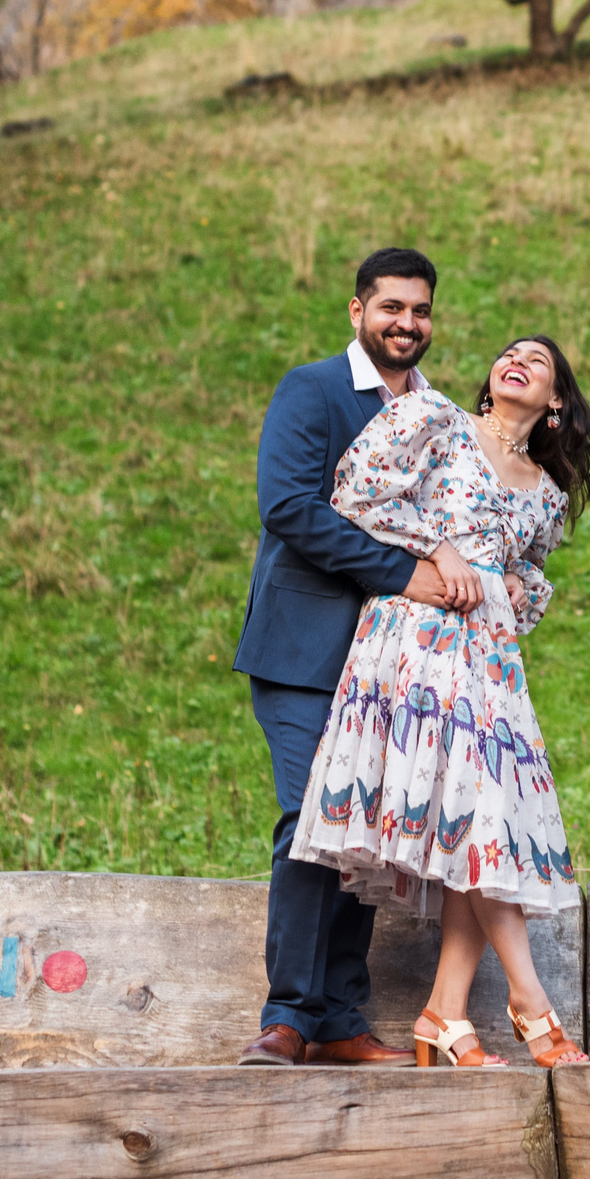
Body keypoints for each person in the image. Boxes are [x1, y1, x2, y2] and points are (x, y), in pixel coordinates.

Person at [291, 332, 590, 1068]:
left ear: (556, 399)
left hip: (490, 659)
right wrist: (440, 548)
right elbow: (356, 490)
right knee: (481, 814)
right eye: (510, 353)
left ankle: (445, 1013)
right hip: (417, 640)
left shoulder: (547, 494)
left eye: (538, 361)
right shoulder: (435, 419)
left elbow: (532, 572)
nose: (517, 361)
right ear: (492, 378)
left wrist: (516, 584)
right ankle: (532, 1005)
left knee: (479, 822)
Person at [233, 247, 457, 1068]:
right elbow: (289, 505)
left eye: (420, 310)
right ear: (357, 310)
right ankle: (288, 1015)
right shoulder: (313, 388)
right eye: (391, 306)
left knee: (363, 829)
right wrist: (403, 571)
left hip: (393, 662)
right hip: (302, 651)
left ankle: (338, 1020)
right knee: (310, 821)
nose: (407, 322)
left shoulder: (437, 413)